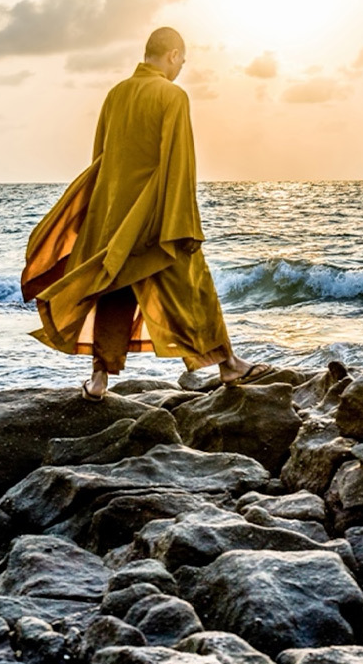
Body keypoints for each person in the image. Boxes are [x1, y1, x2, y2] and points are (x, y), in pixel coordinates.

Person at [23, 26, 268, 399]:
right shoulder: (173, 96)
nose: (181, 68)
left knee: (113, 291)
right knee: (193, 288)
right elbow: (178, 161)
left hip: (114, 215)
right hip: (156, 215)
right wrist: (183, 221)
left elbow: (100, 159)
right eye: (182, 61)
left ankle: (99, 380)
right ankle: (228, 365)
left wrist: (98, 214)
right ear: (172, 55)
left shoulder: (116, 94)